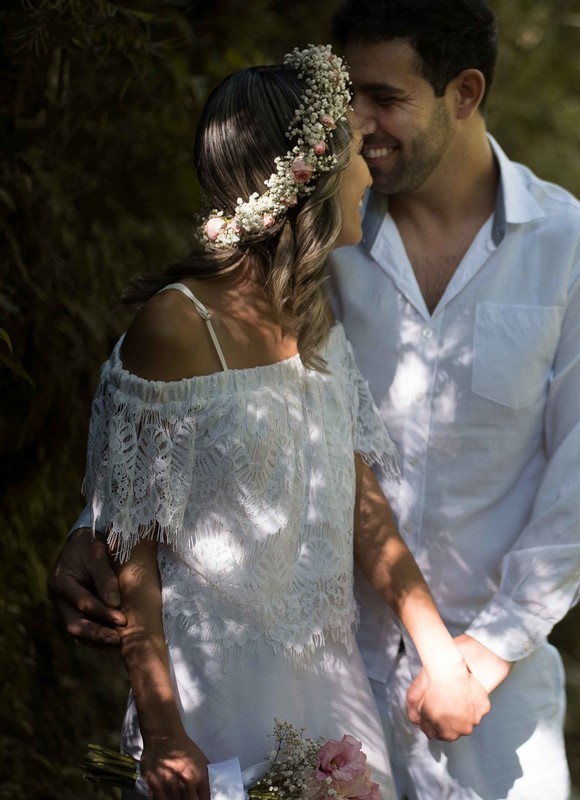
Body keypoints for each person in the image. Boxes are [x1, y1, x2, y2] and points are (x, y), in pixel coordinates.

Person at [49, 2, 580, 797]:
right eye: (345, 98)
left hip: (489, 682)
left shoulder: (573, 255)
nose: (358, 124)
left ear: (463, 93)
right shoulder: (321, 242)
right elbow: (176, 415)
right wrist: (98, 531)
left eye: (383, 98)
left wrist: (485, 652)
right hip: (321, 672)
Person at [73, 45, 489, 800]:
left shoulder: (315, 318)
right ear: (309, 182)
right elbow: (131, 549)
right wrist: (166, 731)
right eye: (356, 158)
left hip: (328, 697)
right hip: (213, 705)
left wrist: (440, 654)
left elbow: (363, 508)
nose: (371, 174)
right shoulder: (175, 326)